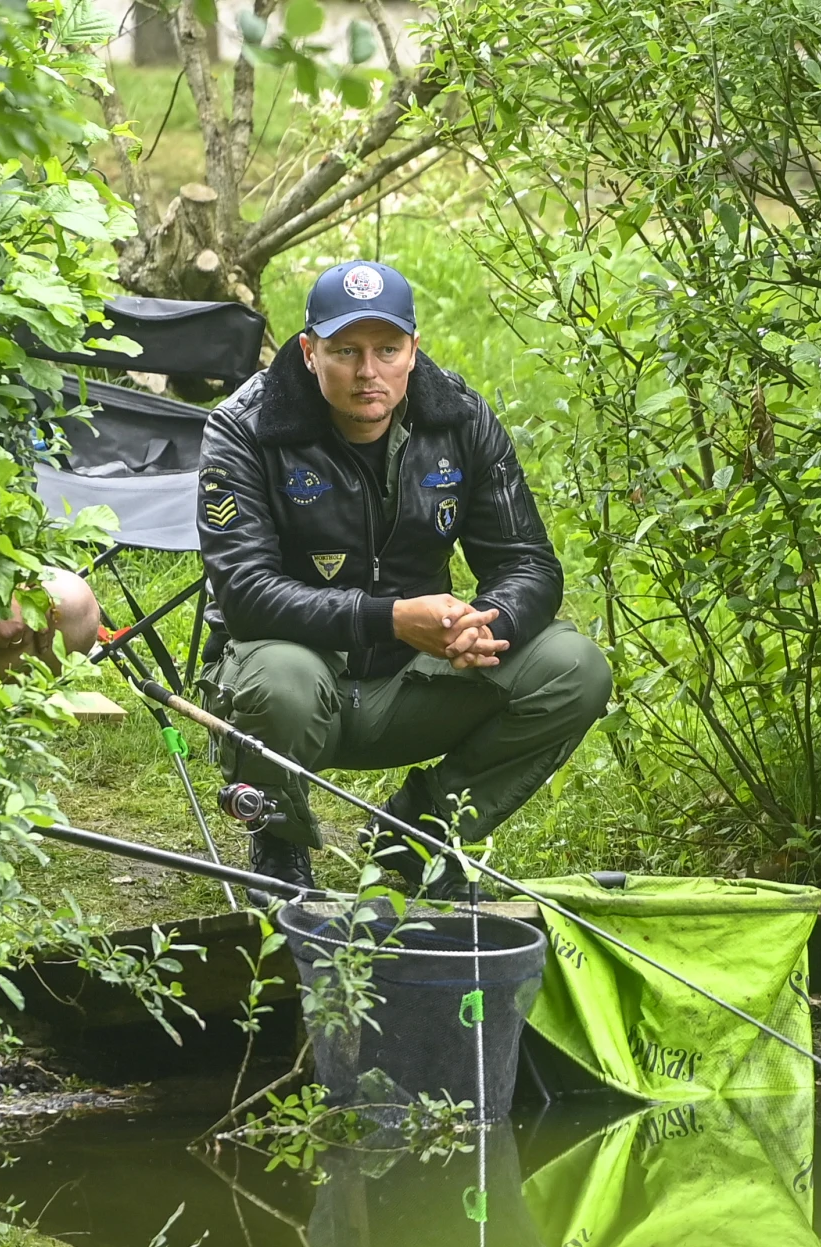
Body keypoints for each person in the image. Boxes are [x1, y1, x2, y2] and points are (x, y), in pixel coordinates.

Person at [197, 260, 611, 895]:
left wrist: (484, 622)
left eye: (387, 349)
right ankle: (279, 843)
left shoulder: (461, 417)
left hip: (415, 680)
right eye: (346, 351)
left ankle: (418, 834)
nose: (369, 372)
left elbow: (527, 563)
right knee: (281, 680)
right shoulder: (243, 426)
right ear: (309, 352)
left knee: (576, 667)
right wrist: (388, 617)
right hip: (294, 680)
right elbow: (246, 594)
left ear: (412, 350)